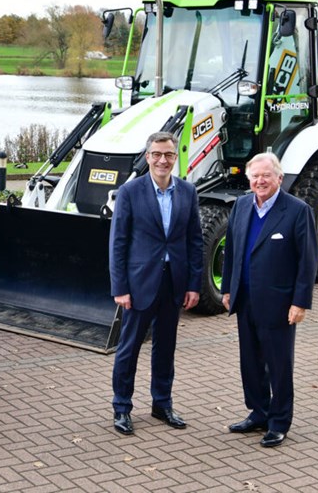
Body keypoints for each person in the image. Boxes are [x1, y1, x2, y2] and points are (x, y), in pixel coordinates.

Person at [109, 131, 203, 435]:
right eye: (157, 154)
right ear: (147, 157)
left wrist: (193, 284)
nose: (163, 160)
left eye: (169, 155)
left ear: (176, 158)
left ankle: (162, 403)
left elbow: (195, 241)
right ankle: (122, 407)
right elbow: (118, 243)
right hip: (138, 285)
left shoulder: (188, 192)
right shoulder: (130, 192)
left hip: (174, 284)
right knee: (129, 348)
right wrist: (119, 287)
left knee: (166, 348)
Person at [221, 152, 317, 448]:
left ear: (279, 178)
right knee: (250, 362)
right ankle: (259, 413)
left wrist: (300, 302)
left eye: (266, 176)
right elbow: (232, 250)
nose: (260, 181)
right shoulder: (241, 205)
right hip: (245, 299)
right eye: (254, 176)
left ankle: (278, 422)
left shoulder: (297, 211)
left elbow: (307, 261)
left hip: (279, 303)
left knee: (278, 365)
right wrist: (227, 289)